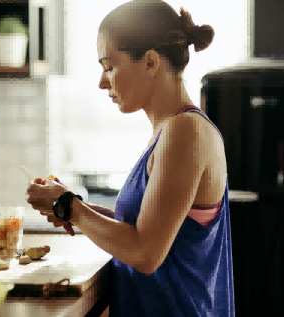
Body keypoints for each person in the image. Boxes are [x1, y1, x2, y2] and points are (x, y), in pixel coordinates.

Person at [25, 1, 234, 316]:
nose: (102, 81)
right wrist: (74, 206)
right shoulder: (169, 131)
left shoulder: (186, 132)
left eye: (109, 66)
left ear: (150, 62)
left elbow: (146, 253)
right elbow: (147, 228)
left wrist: (71, 208)